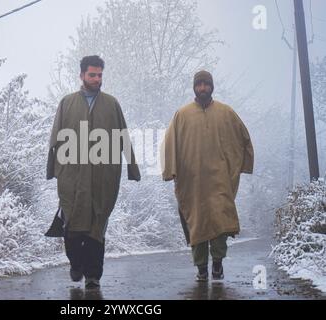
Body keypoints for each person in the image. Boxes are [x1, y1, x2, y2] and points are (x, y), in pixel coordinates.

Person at [46, 55, 141, 289]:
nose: (97, 79)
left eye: (99, 75)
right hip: (72, 177)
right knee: (73, 226)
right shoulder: (67, 103)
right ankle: (76, 263)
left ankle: (93, 276)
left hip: (103, 177)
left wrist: (132, 166)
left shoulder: (111, 104)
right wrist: (52, 169)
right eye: (92, 75)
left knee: (97, 227)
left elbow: (123, 136)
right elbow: (55, 137)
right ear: (81, 75)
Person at [161, 71, 254, 282]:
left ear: (212, 86)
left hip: (220, 179)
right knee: (196, 223)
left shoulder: (226, 112)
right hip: (191, 181)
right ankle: (201, 267)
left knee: (219, 222)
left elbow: (243, 138)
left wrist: (241, 164)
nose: (202, 88)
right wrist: (171, 171)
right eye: (199, 84)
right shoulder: (182, 115)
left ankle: (218, 264)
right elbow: (169, 144)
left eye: (206, 84)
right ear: (194, 87)